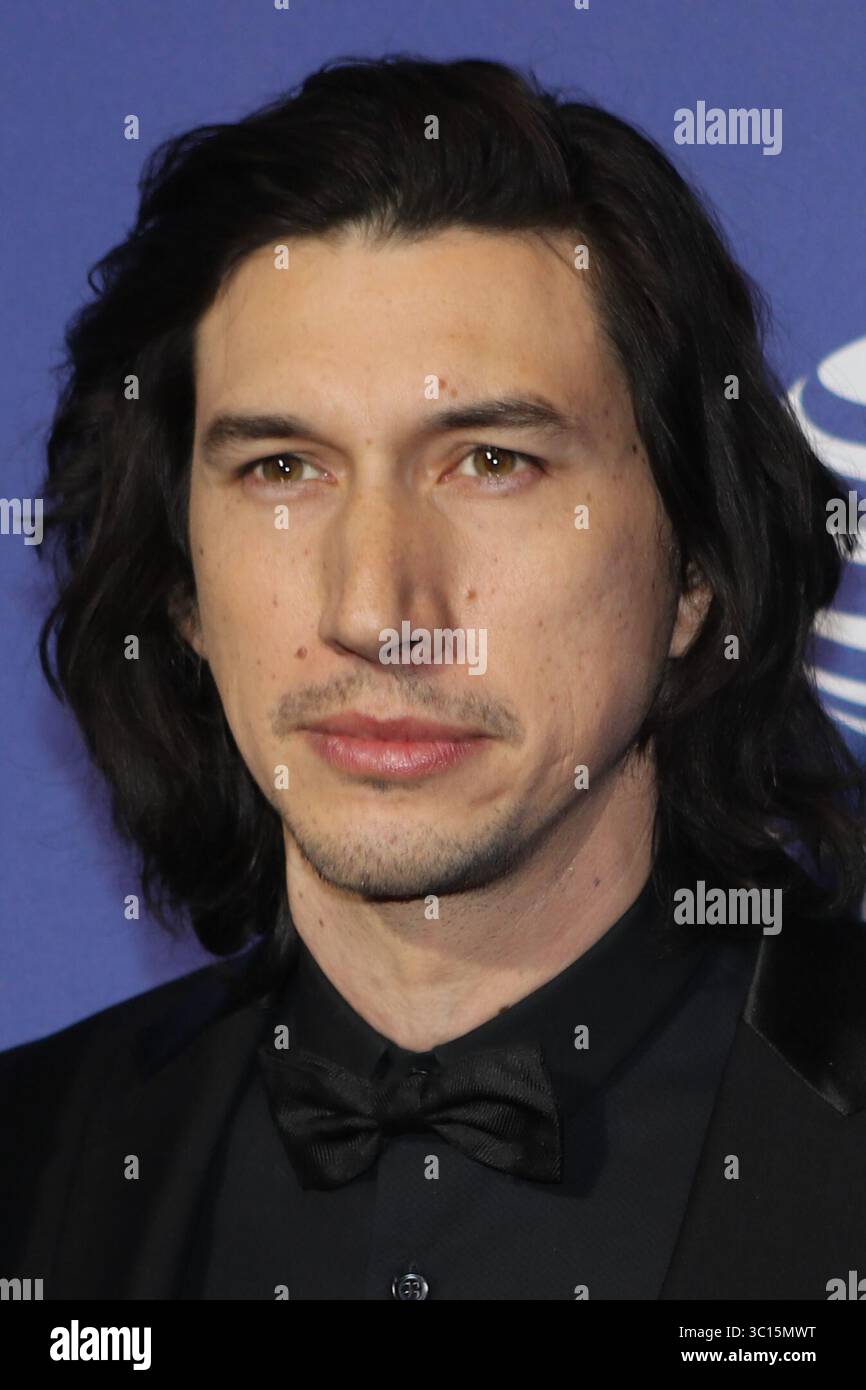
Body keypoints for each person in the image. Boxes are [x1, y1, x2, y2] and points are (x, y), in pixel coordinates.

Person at [2, 54, 865, 1302]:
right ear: (179, 586)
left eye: (492, 463)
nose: (375, 613)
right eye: (282, 471)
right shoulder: (35, 1166)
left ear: (696, 572)